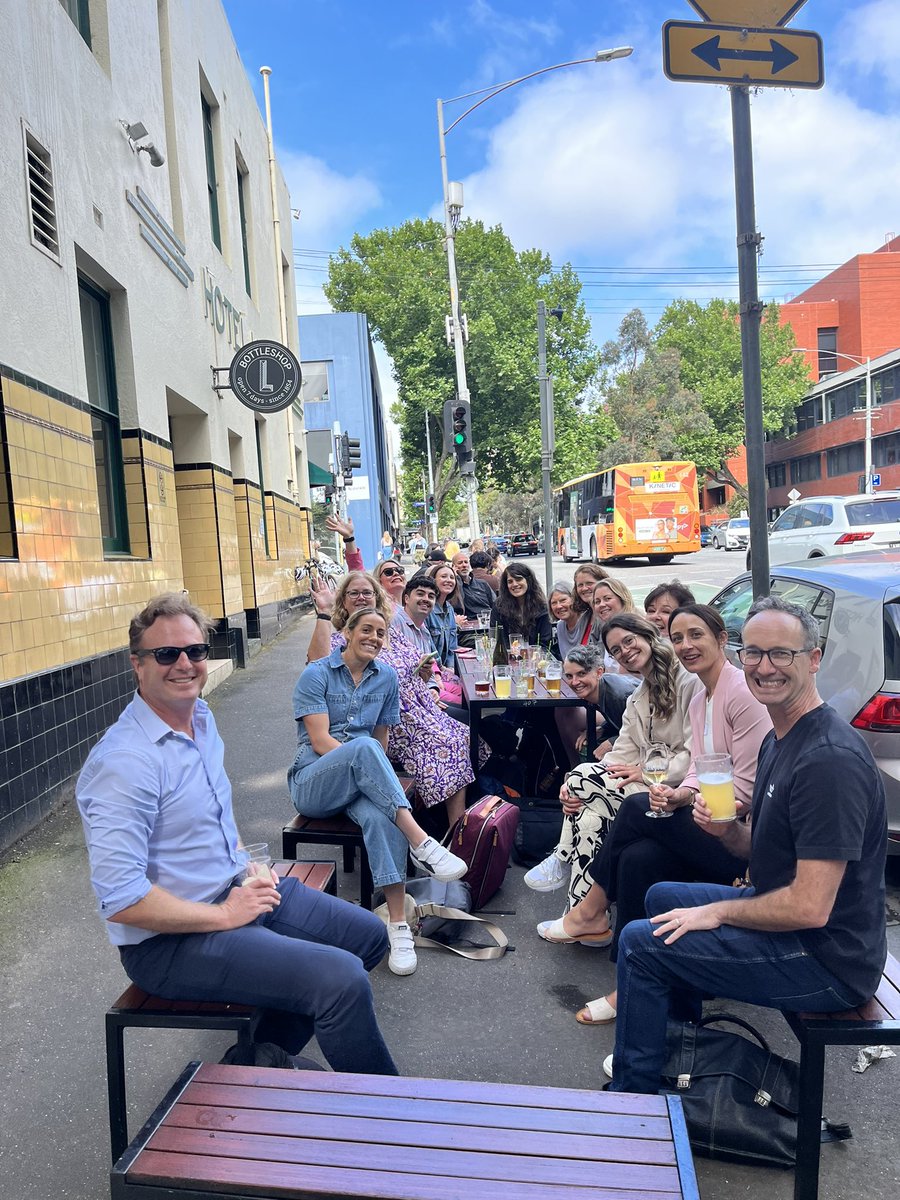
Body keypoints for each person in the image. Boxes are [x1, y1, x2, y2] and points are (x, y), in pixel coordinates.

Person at [76, 593, 398, 1075]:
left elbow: (205, 823)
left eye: (196, 651)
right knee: (341, 981)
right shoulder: (125, 762)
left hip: (238, 890)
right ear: (137, 665)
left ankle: (257, 1060)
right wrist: (225, 914)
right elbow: (122, 900)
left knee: (369, 935)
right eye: (167, 654)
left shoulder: (199, 720)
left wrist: (244, 864)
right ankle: (390, 1122)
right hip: (168, 944)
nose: (184, 664)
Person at [606, 596, 887, 1093]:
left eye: (782, 654)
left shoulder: (829, 762)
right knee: (659, 898)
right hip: (789, 919)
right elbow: (766, 852)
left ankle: (637, 1098)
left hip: (828, 960)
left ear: (814, 659)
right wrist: (730, 833)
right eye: (754, 653)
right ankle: (676, 1050)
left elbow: (809, 906)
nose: (765, 667)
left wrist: (718, 913)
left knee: (639, 943)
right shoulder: (780, 737)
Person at [560, 604, 772, 1026]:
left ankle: (590, 909)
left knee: (637, 807)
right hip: (707, 817)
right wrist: (679, 797)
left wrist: (684, 798)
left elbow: (744, 794)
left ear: (722, 639)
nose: (686, 646)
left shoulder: (740, 694)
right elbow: (698, 767)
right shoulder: (703, 696)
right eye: (679, 638)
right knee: (640, 856)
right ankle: (633, 976)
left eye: (696, 635)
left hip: (740, 841)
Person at [289, 607, 467, 977]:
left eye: (381, 633)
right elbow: (321, 741)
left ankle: (399, 925)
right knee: (365, 750)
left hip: (361, 779)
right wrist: (364, 759)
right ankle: (422, 841)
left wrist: (371, 771)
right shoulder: (316, 673)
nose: (373, 637)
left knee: (380, 815)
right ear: (348, 633)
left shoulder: (386, 677)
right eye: (366, 630)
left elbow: (383, 742)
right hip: (314, 781)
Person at [527, 613, 701, 915]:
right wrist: (577, 783)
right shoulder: (640, 694)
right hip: (646, 785)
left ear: (647, 635)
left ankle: (562, 857)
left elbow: (695, 754)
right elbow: (623, 749)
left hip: (677, 793)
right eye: (617, 650)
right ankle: (582, 918)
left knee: (582, 785)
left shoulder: (688, 680)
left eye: (628, 641)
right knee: (587, 814)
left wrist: (642, 772)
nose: (625, 651)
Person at [308, 571, 482, 825]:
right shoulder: (342, 635)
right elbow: (316, 663)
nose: (361, 597)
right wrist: (323, 613)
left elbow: (411, 669)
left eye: (367, 592)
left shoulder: (387, 630)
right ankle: (457, 830)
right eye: (353, 593)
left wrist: (423, 676)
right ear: (342, 601)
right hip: (390, 721)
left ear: (377, 597)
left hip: (422, 710)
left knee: (470, 735)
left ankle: (442, 820)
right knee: (451, 743)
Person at [495, 562, 553, 651]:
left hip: (536, 659)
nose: (514, 584)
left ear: (528, 581)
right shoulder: (498, 607)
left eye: (518, 579)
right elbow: (497, 640)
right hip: (507, 659)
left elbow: (545, 643)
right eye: (510, 581)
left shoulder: (542, 607)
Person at [557, 565, 610, 660]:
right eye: (580, 585)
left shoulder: (606, 617)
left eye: (589, 583)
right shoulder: (585, 617)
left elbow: (601, 658)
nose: (584, 588)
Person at [425, 562, 461, 667]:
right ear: (433, 580)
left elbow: (452, 648)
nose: (448, 580)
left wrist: (451, 668)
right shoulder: (426, 609)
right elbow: (428, 648)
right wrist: (442, 670)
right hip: (433, 670)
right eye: (443, 576)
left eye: (452, 577)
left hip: (447, 670)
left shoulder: (449, 608)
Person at [451, 551, 496, 619]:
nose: (464, 565)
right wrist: (456, 578)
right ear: (453, 567)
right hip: (469, 624)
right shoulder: (453, 587)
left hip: (488, 621)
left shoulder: (482, 584)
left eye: (466, 562)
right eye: (460, 563)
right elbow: (458, 605)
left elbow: (495, 604)